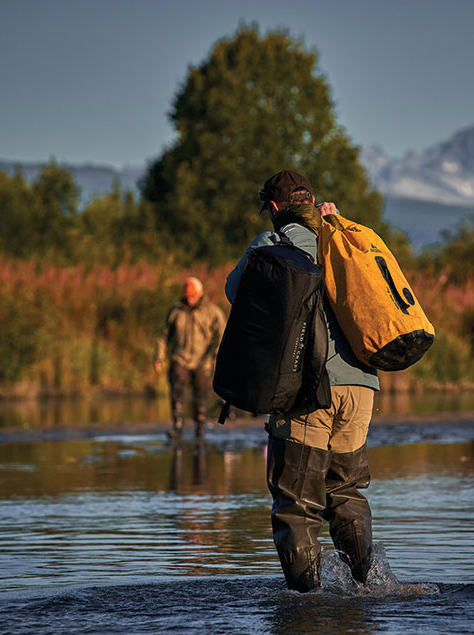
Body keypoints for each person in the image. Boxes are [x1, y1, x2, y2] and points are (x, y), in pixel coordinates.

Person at [225, 170, 380, 592]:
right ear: (312, 201)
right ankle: (369, 587)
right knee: (345, 493)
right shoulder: (344, 235)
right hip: (362, 387)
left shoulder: (271, 244)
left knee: (296, 504)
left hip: (309, 392)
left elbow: (233, 291)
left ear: (275, 208)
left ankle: (306, 604)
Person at [155, 276, 226, 439]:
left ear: (200, 294)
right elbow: (164, 336)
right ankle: (177, 427)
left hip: (202, 361)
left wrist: (217, 354)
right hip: (180, 358)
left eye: (193, 296)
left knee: (201, 394)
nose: (190, 299)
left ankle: (200, 428)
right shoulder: (176, 311)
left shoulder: (212, 311)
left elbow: (223, 333)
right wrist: (159, 357)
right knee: (176, 389)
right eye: (188, 296)